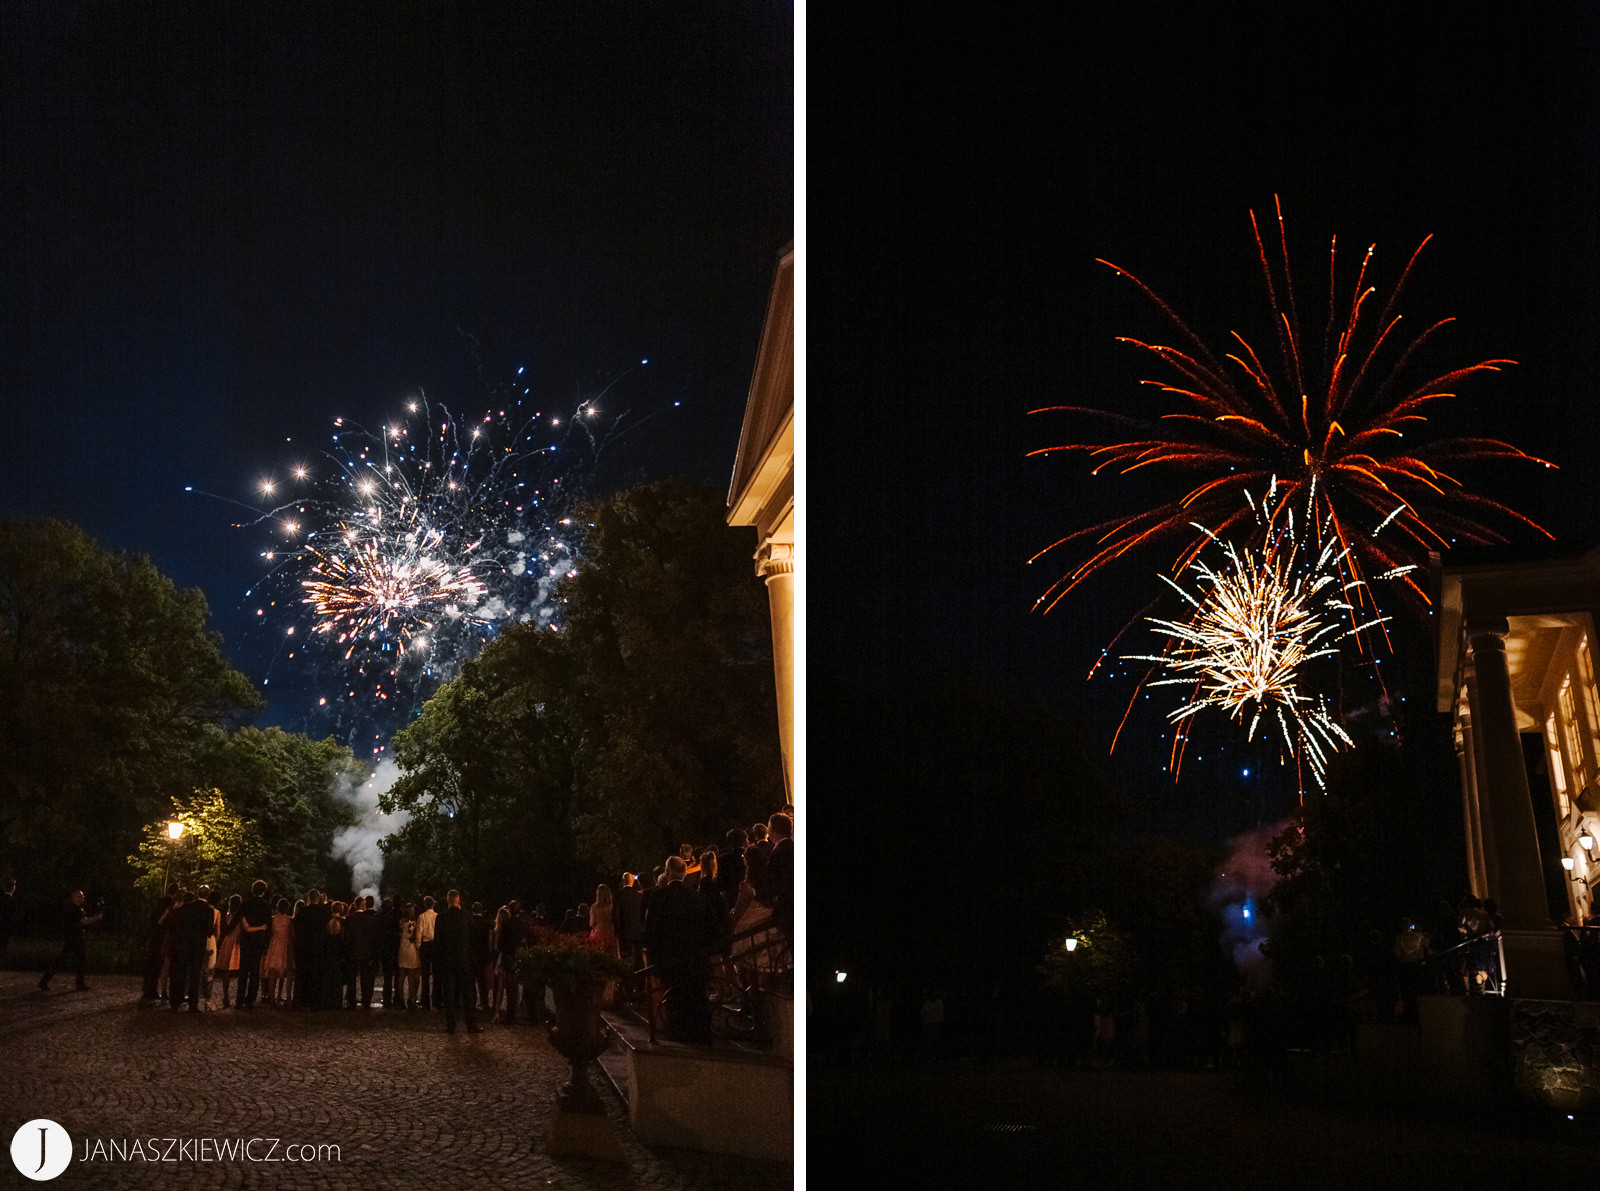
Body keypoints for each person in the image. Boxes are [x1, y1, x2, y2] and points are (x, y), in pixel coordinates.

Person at [644, 856, 713, 1043]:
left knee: (674, 996)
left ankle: (678, 1031)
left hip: (669, 956)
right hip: (693, 956)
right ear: (684, 873)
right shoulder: (697, 897)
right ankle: (698, 1033)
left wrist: (652, 955)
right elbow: (706, 926)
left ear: (666, 872)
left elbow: (651, 929)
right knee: (694, 995)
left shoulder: (658, 897)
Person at [433, 889, 482, 1034]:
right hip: (463, 960)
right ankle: (471, 1025)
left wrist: (439, 961)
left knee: (449, 994)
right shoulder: (466, 916)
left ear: (448, 901)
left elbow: (437, 942)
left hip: (448, 961)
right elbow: (474, 936)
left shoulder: (441, 918)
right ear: (458, 900)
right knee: (467, 994)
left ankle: (451, 1025)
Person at [39, 889, 102, 992]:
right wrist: (96, 918)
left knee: (63, 960)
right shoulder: (73, 909)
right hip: (74, 938)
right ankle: (79, 984)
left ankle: (44, 981)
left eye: (82, 896)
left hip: (73, 937)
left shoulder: (77, 908)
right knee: (79, 960)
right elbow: (84, 921)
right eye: (78, 896)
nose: (81, 898)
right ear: (73, 898)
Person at [170, 890, 214, 1011]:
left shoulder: (185, 909)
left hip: (183, 944)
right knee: (195, 974)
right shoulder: (208, 910)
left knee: (180, 972)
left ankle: (175, 1001)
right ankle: (193, 1004)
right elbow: (209, 931)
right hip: (198, 946)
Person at [236, 880, 272, 1009]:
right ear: (263, 891)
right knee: (255, 971)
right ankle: (250, 998)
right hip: (258, 941)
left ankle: (239, 999)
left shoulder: (245, 904)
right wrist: (266, 944)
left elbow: (239, 919)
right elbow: (269, 926)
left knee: (243, 971)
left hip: (246, 940)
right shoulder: (266, 906)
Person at [262, 898, 294, 1007]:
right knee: (283, 971)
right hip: (284, 945)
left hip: (274, 945)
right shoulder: (289, 920)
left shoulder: (273, 919)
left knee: (272, 971)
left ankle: (272, 996)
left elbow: (269, 932)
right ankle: (280, 995)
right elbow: (290, 934)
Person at [376, 896, 401, 1007]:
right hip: (395, 949)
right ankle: (397, 998)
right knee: (397, 975)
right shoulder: (395, 917)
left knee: (387, 975)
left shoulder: (378, 918)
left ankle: (387, 999)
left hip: (384, 949)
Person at [398, 903, 422, 1009]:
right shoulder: (415, 923)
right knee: (411, 975)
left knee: (401, 976)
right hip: (411, 950)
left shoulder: (401, 922)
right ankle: (411, 999)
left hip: (402, 949)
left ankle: (400, 999)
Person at [416, 895, 438, 1010]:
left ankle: (425, 1001)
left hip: (425, 945)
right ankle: (436, 999)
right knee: (436, 974)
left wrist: (418, 946)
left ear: (425, 905)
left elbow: (419, 932)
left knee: (425, 974)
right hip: (435, 945)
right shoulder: (437, 917)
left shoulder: (422, 917)